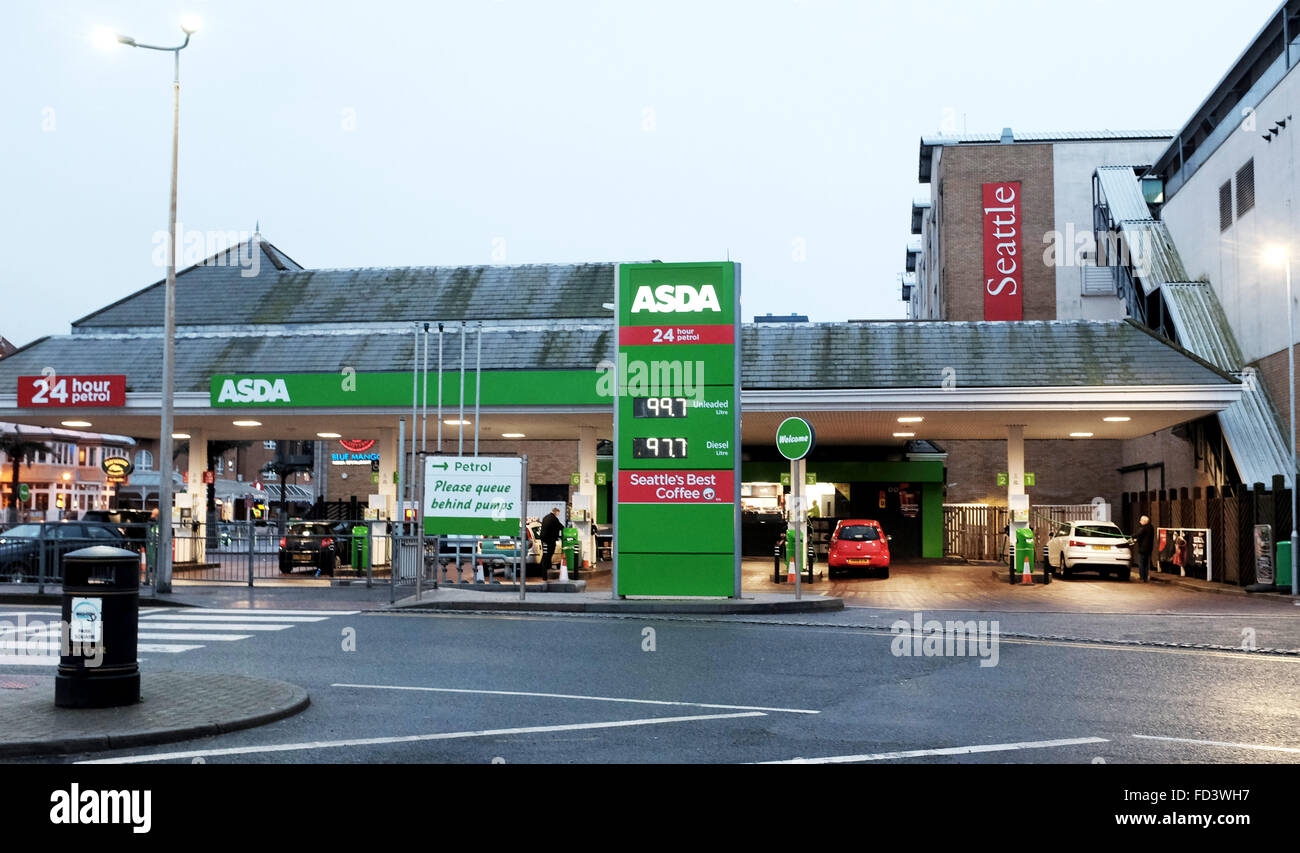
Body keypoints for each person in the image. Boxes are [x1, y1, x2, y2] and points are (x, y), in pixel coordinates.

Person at [539, 507, 563, 579]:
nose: (558, 515)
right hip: (550, 539)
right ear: (556, 512)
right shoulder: (554, 519)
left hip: (543, 538)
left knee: (545, 553)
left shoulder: (545, 517)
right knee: (550, 552)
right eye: (558, 513)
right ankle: (546, 567)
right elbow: (561, 526)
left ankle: (543, 568)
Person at [1134, 514, 1155, 583]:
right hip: (1149, 548)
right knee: (1146, 563)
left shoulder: (1143, 528)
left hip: (1143, 548)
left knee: (1141, 563)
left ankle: (1142, 577)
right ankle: (1145, 578)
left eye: (1141, 520)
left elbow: (1138, 534)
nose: (1140, 522)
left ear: (1144, 521)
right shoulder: (1151, 527)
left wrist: (1131, 536)